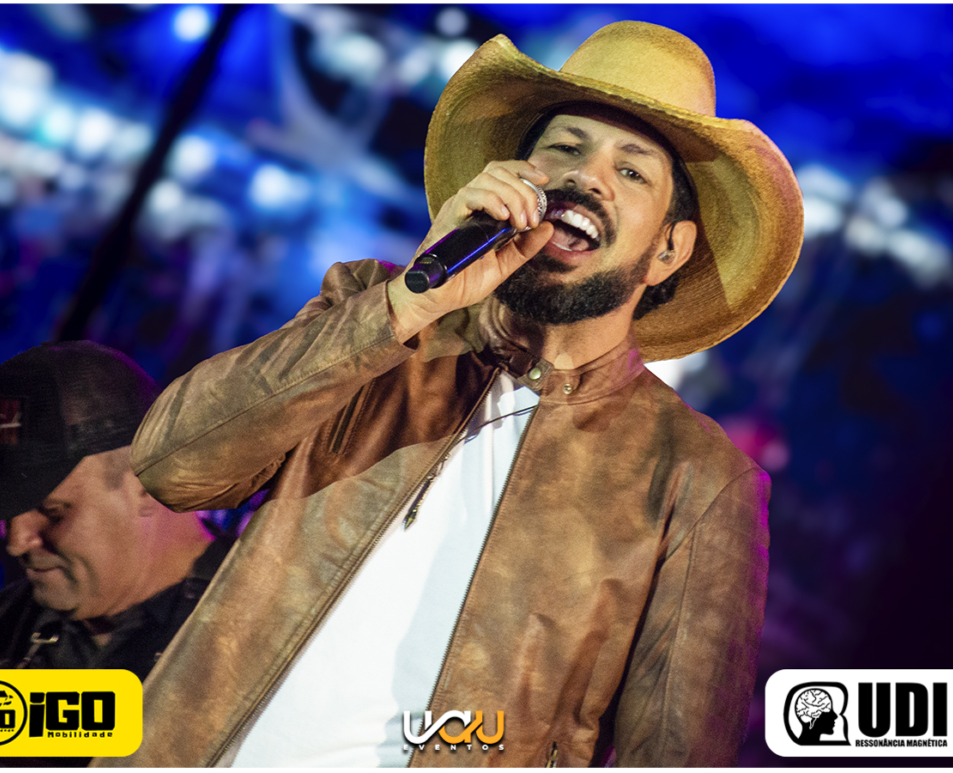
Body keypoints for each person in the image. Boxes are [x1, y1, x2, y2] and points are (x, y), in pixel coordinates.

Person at [96, 21, 803, 768]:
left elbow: (677, 753)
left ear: (668, 249)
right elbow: (173, 465)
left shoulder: (695, 478)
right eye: (566, 147)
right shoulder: (373, 311)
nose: (588, 178)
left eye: (631, 172)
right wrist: (408, 304)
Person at [0, 341, 231, 678]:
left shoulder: (262, 621)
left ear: (149, 478)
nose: (16, 542)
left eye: (53, 512)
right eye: (3, 515)